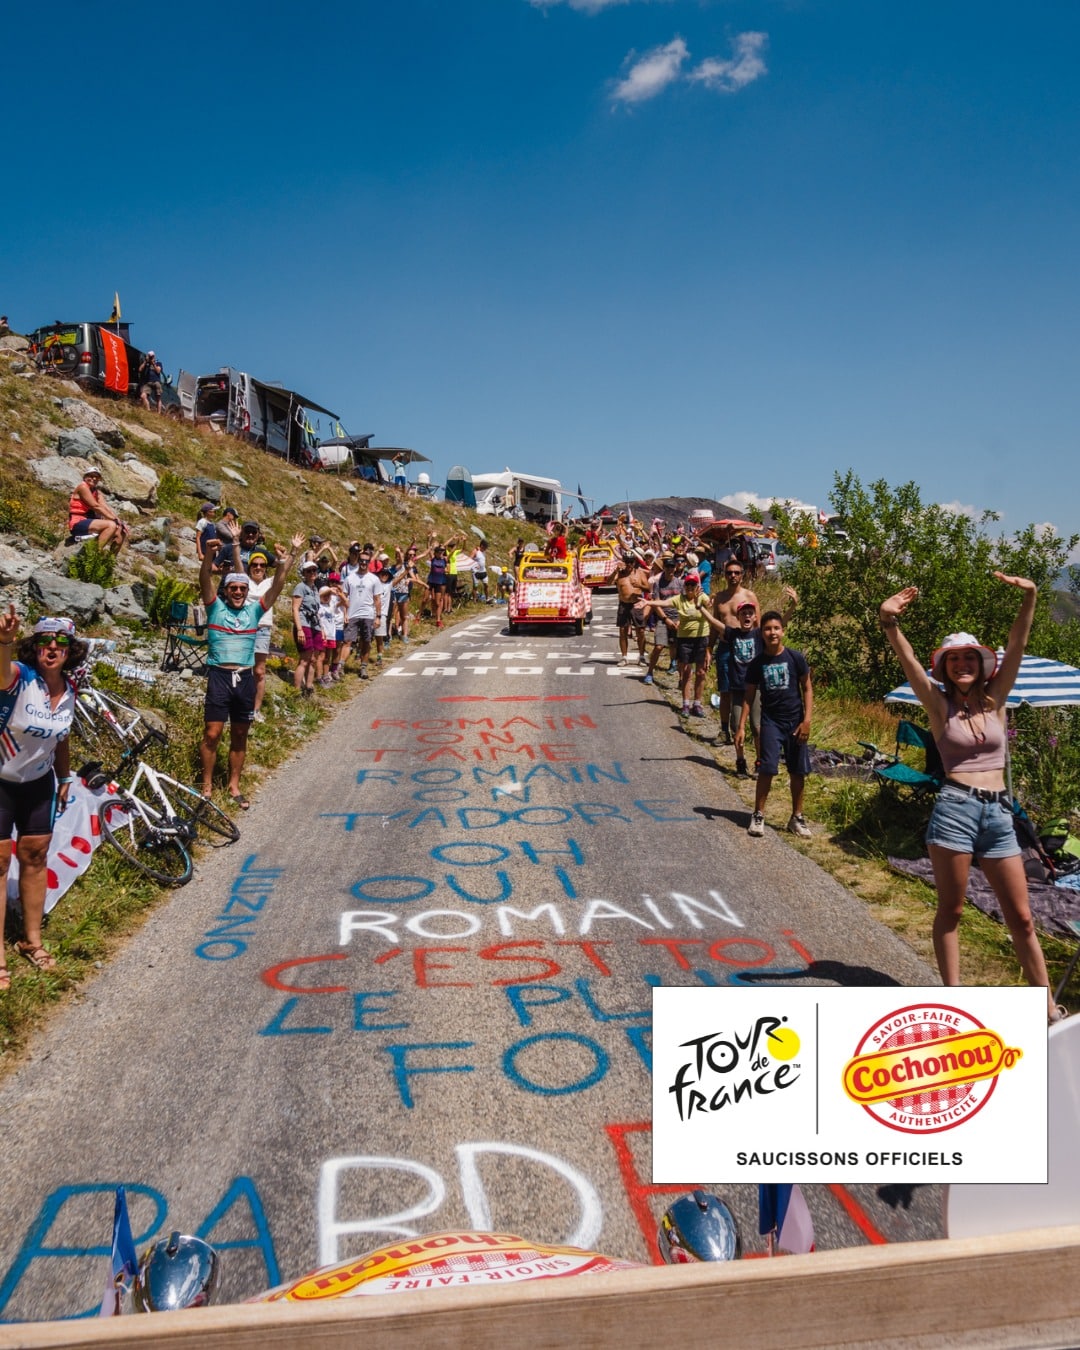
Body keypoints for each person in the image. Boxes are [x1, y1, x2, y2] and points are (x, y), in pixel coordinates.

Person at [878, 576, 1061, 1021]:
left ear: (982, 664)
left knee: (1021, 918)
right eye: (953, 658)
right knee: (953, 909)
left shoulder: (997, 700)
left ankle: (1047, 1007)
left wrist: (1030, 597)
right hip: (955, 809)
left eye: (969, 657)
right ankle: (954, 1001)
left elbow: (1017, 645)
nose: (961, 663)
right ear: (944, 667)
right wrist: (889, 623)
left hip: (999, 814)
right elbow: (907, 662)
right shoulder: (938, 705)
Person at [0, 613, 83, 980]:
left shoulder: (69, 690)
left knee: (35, 855)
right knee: (0, 863)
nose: (53, 647)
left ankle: (31, 941)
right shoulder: (18, 675)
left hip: (38, 783)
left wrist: (64, 776)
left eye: (61, 642)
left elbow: (61, 737)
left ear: (70, 650)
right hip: (1, 780)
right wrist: (4, 642)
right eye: (45, 641)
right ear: (34, 647)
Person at [199, 526, 301, 806]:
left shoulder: (254, 610)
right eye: (233, 588)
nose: (239, 592)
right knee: (212, 733)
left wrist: (290, 555)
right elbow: (204, 578)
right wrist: (209, 555)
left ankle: (234, 785)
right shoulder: (215, 607)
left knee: (240, 734)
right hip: (220, 676)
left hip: (243, 680)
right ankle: (207, 785)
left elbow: (278, 586)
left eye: (243, 588)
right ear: (226, 590)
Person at [736, 611, 813, 839]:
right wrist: (741, 727)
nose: (772, 633)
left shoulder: (795, 658)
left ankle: (796, 817)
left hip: (796, 722)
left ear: (783, 631)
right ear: (762, 632)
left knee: (798, 770)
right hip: (771, 722)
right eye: (767, 629)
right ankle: (758, 814)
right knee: (767, 768)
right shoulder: (757, 663)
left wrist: (807, 720)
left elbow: (807, 688)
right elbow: (748, 698)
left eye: (776, 628)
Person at [640, 571, 727, 717]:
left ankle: (697, 704)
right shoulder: (679, 599)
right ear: (684, 586)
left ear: (697, 586)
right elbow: (664, 602)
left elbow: (711, 604)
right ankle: (686, 704)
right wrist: (648, 602)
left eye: (693, 584)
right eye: (688, 584)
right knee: (686, 672)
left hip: (701, 638)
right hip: (685, 639)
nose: (691, 587)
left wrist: (712, 597)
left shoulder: (701, 597)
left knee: (701, 672)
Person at [710, 559, 760, 744]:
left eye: (736, 573)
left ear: (742, 574)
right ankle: (725, 731)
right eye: (729, 572)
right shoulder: (720, 598)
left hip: (747, 648)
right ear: (724, 575)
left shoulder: (750, 596)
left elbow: (758, 627)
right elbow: (715, 625)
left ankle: (748, 728)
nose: (733, 576)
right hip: (725, 647)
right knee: (725, 690)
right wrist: (709, 648)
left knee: (749, 687)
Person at [67, 466, 129, 553]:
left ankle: (110, 559)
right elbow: (95, 506)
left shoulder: (96, 492)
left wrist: (119, 521)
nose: (94, 478)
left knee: (121, 531)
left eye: (97, 477)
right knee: (111, 525)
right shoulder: (83, 487)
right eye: (91, 476)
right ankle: (96, 555)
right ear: (85, 477)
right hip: (78, 522)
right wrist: (114, 520)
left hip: (90, 521)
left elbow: (105, 507)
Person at [244, 551, 274, 717]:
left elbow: (284, 573)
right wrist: (235, 542)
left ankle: (256, 710)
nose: (258, 568)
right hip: (245, 627)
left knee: (259, 671)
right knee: (242, 668)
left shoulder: (270, 582)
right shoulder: (244, 580)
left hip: (263, 627)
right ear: (249, 567)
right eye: (254, 565)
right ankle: (240, 707)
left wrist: (290, 553)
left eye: (262, 565)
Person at [292, 559, 323, 696]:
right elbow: (295, 608)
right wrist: (299, 629)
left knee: (313, 659)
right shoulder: (301, 587)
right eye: (308, 571)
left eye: (314, 570)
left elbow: (317, 610)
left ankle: (309, 687)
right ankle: (296, 691)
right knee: (305, 659)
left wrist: (322, 628)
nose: (312, 573)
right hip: (304, 624)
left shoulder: (315, 588)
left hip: (315, 624)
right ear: (303, 573)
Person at [615, 552, 652, 666]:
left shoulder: (640, 573)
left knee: (640, 630)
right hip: (624, 604)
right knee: (623, 631)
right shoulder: (620, 574)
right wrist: (615, 571)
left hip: (636, 604)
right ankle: (624, 657)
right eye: (627, 562)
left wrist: (639, 586)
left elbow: (648, 589)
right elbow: (608, 582)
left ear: (634, 562)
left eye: (631, 562)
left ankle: (641, 656)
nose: (629, 564)